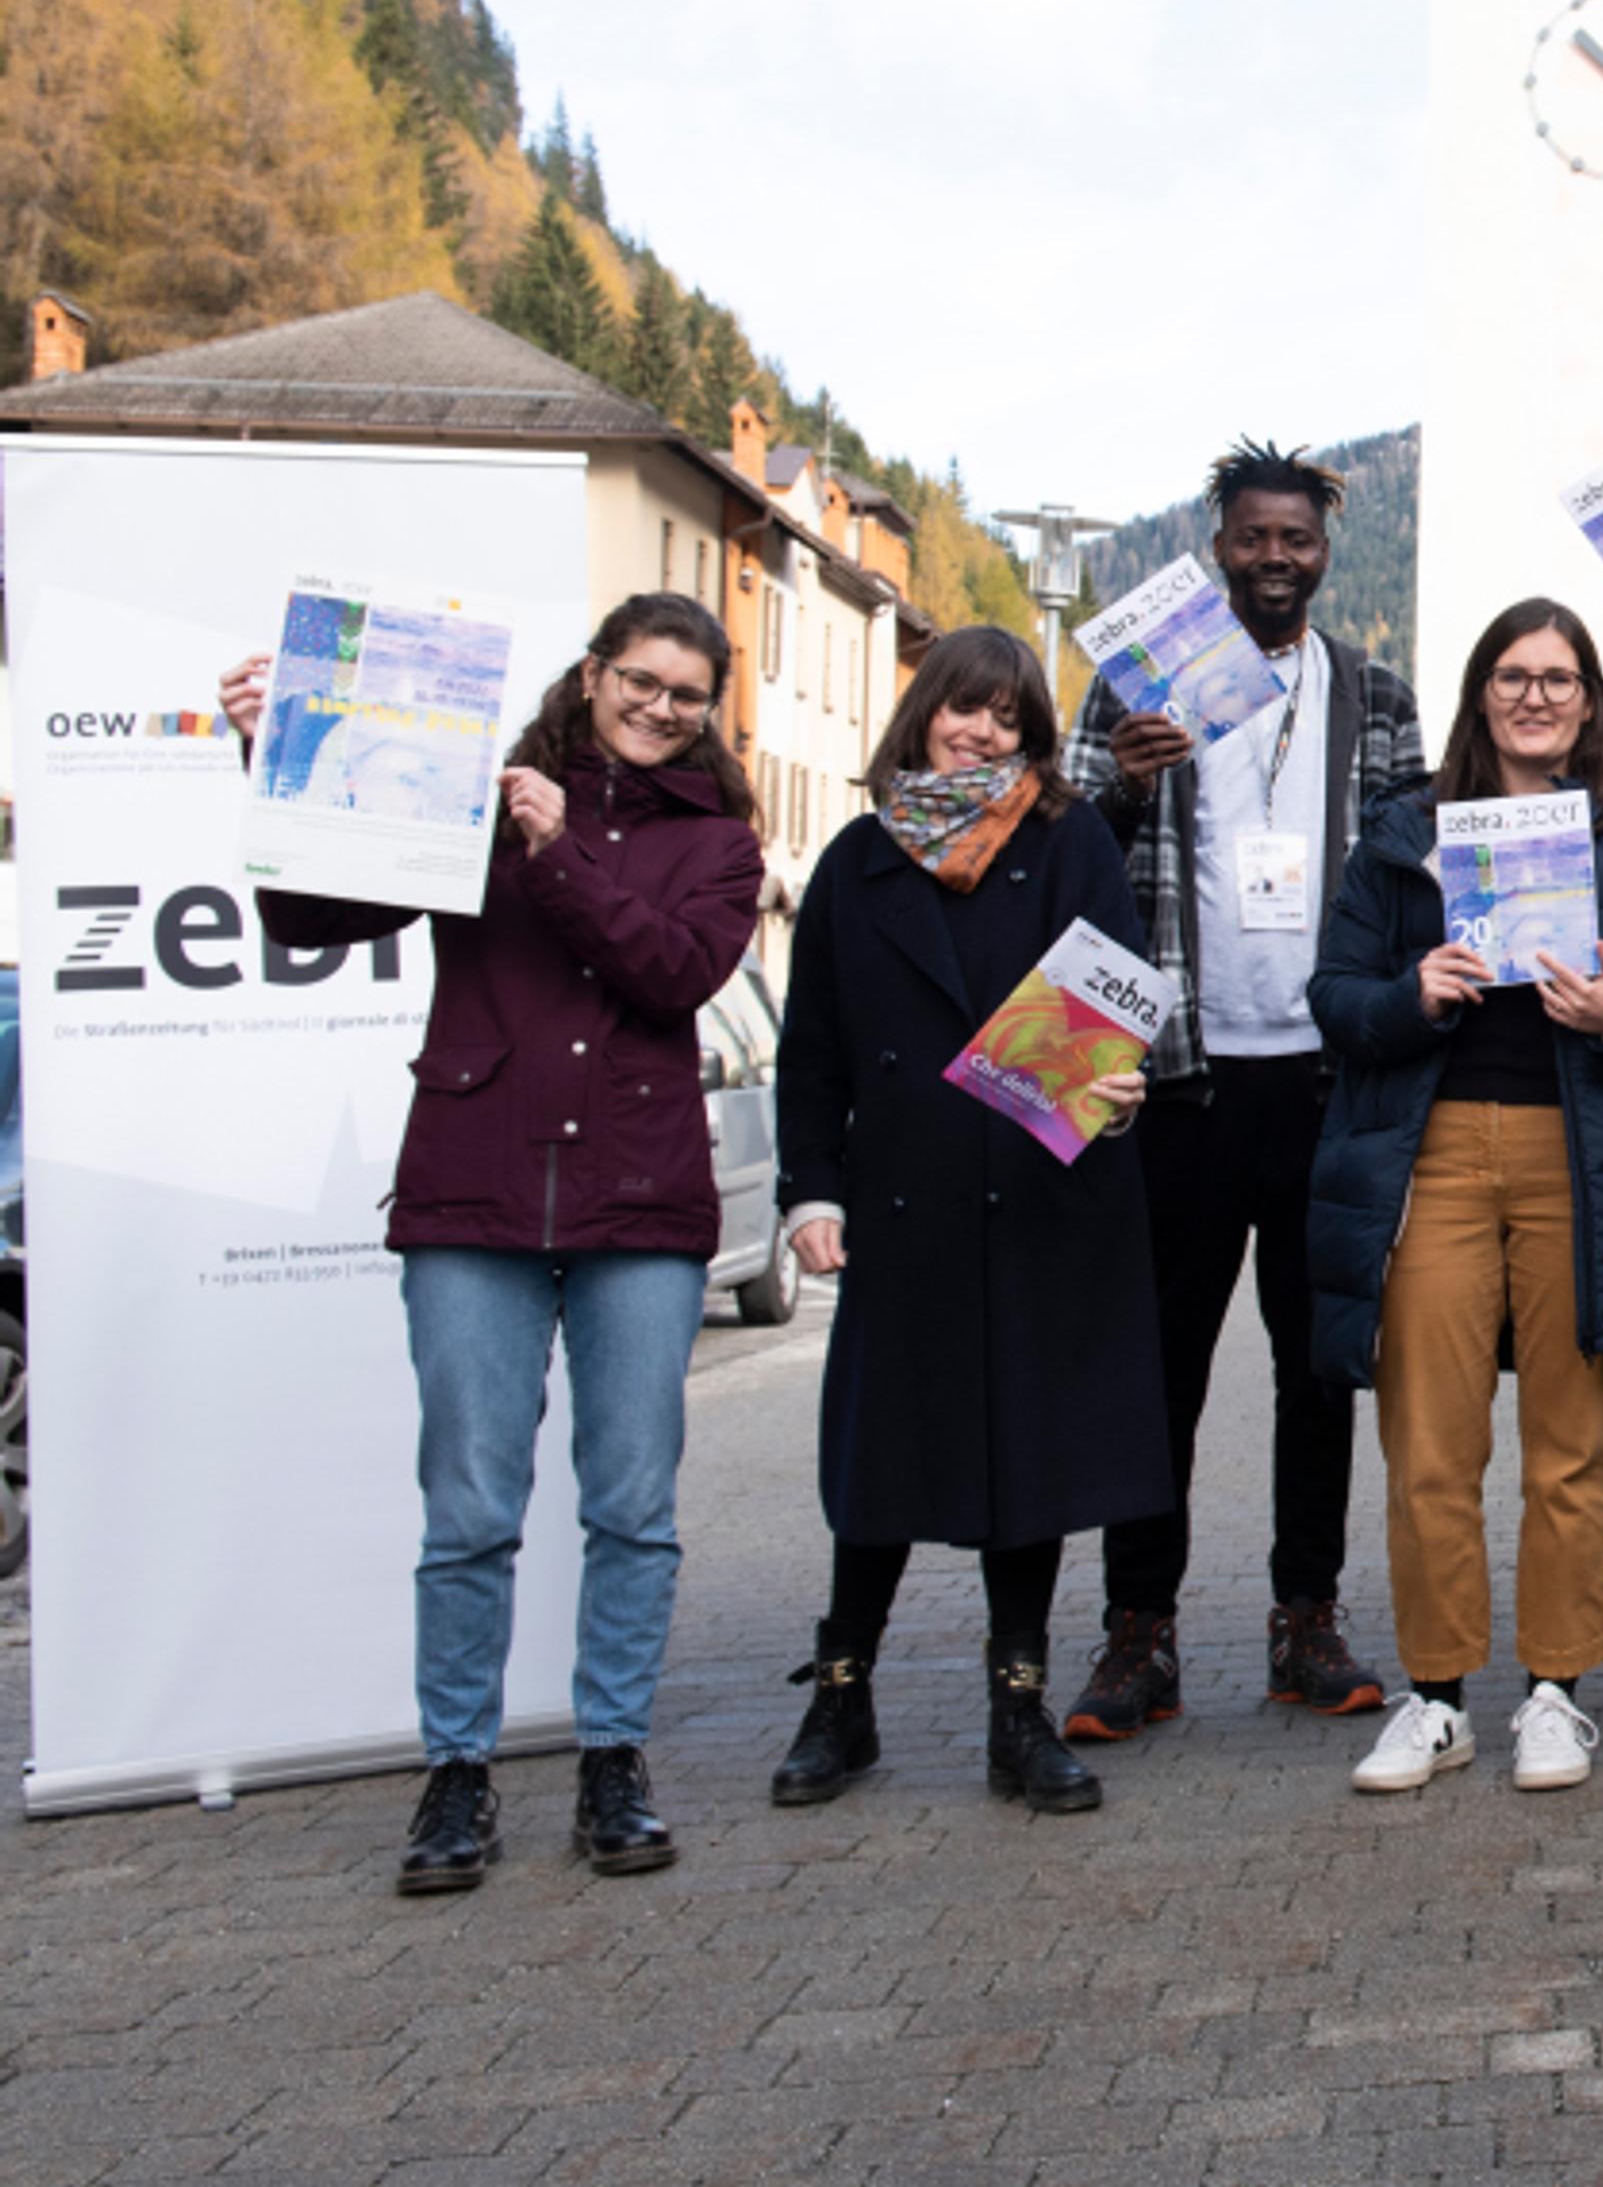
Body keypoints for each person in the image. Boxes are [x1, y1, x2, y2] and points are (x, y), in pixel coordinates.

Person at [228, 593, 765, 1895]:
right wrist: (272, 756)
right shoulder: (468, 791)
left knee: (633, 1504)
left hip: (640, 1199)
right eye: (642, 680)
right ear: (593, 676)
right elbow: (312, 919)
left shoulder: (720, 841)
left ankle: (611, 1758)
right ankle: (456, 1774)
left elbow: (670, 975)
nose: (660, 708)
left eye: (687, 695)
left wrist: (557, 850)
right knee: (469, 1506)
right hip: (473, 1189)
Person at [1307, 600, 1603, 1795]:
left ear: (1593, 697)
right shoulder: (1402, 831)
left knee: (1570, 1446)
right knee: (1428, 1442)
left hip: (1583, 1156)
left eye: (1559, 677)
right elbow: (1332, 997)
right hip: (1431, 1152)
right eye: (1512, 674)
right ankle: (1435, 1695)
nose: (1536, 695)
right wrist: (1412, 992)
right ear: (1478, 691)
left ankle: (1556, 1691)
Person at [766, 626, 1171, 1815]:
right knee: (881, 1457)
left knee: (1026, 1460)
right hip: (904, 1202)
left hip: (1043, 1192)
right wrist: (810, 1187)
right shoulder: (855, 860)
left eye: (1008, 718)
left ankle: (1019, 1706)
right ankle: (842, 1695)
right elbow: (815, 1049)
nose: (984, 733)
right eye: (965, 710)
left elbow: (1113, 990)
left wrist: (1114, 1077)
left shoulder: (1069, 840)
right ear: (924, 715)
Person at [1058, 439, 1423, 1744]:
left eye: (1299, 539)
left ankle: (1306, 1622)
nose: (1278, 557)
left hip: (1326, 1082)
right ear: (1217, 545)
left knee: (1317, 1368)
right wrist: (1123, 784)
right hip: (1181, 1085)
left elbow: (1417, 865)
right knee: (1158, 1371)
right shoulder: (1137, 683)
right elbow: (1066, 853)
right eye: (1254, 537)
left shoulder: (1374, 696)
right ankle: (1138, 1634)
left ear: (1327, 553)